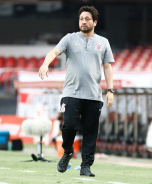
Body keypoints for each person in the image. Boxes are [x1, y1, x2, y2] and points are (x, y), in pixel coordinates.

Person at [39, 6, 114, 177]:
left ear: (94, 22)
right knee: (70, 125)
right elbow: (54, 51)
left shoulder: (103, 42)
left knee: (90, 132)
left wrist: (110, 90)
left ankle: (86, 166)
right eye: (81, 19)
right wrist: (45, 63)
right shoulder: (70, 39)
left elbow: (108, 67)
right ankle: (67, 152)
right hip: (71, 93)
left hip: (94, 96)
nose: (84, 21)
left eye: (87, 19)